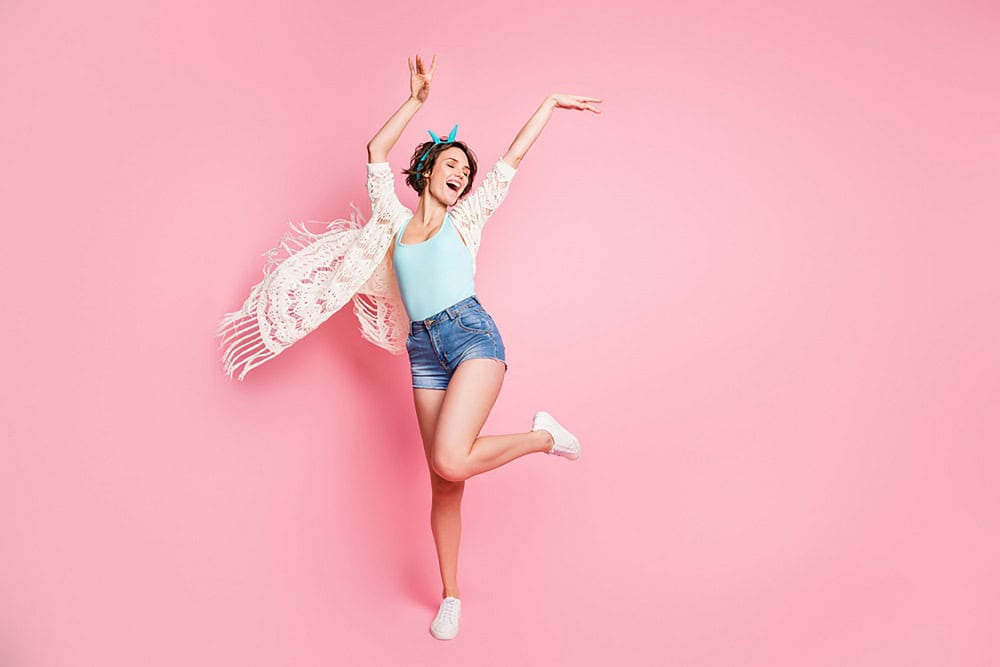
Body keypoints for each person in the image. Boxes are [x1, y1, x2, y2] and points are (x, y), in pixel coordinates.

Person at [215, 53, 601, 640]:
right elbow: (375, 151)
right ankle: (452, 595)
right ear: (426, 170)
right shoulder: (392, 225)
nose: (462, 175)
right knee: (444, 481)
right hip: (424, 352)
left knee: (451, 458)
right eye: (452, 164)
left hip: (472, 337)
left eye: (466, 172)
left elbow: (510, 162)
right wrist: (417, 100)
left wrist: (547, 104)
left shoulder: (466, 220)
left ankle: (544, 436)